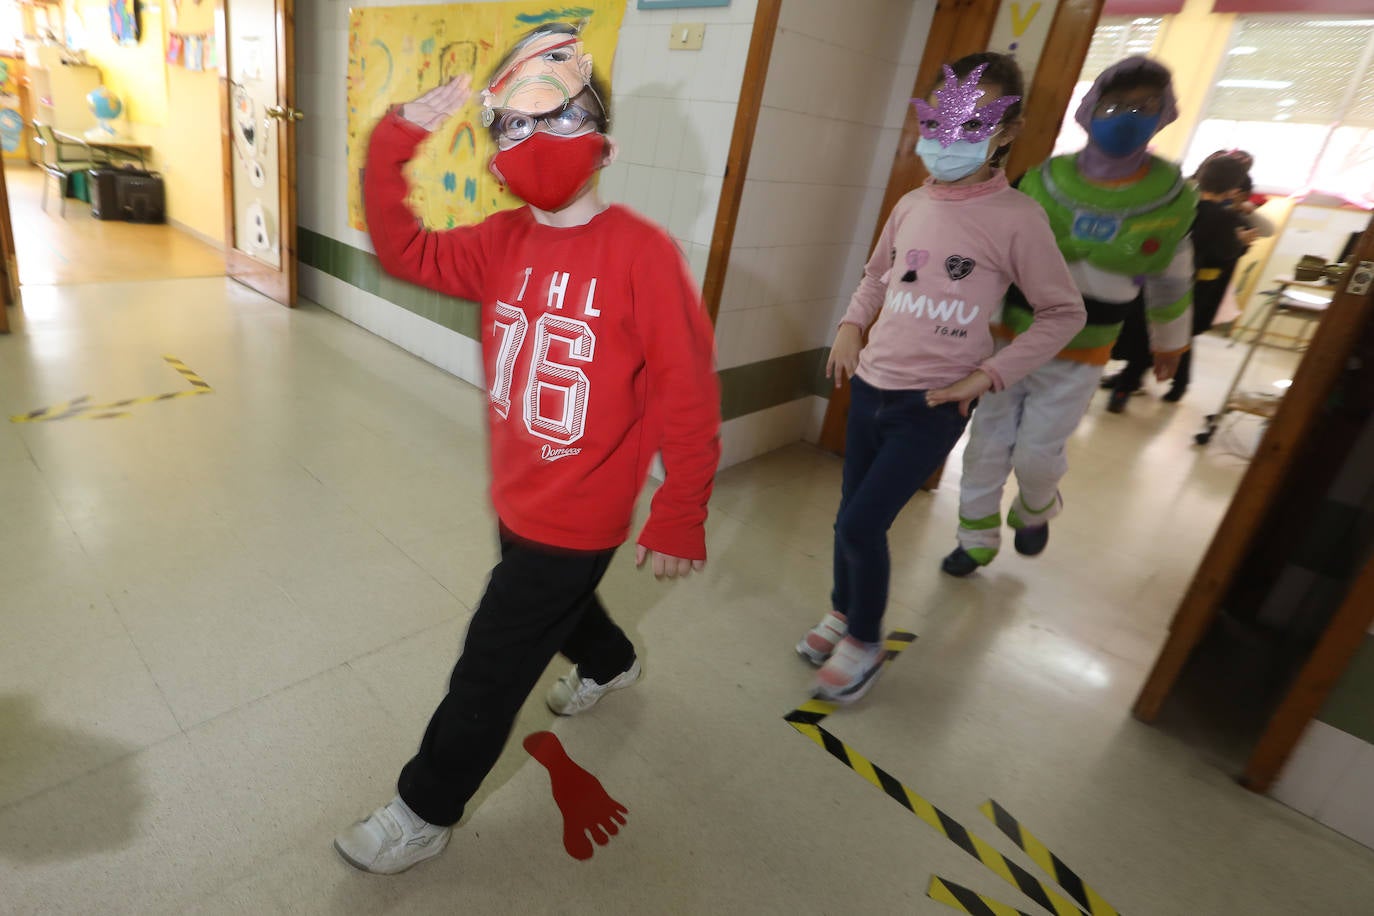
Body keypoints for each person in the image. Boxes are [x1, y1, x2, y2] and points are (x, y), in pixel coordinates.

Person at [334, 22, 721, 875]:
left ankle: (423, 807)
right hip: (518, 492)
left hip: (581, 513)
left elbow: (688, 390)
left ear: (604, 143)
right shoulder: (501, 242)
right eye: (512, 124)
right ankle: (611, 661)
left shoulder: (643, 256)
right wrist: (397, 135)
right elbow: (402, 246)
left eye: (558, 119)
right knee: (556, 606)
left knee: (492, 664)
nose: (534, 141)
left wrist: (681, 506)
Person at [797, 53, 1085, 702]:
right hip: (871, 386)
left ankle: (864, 641)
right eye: (941, 123)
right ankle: (844, 612)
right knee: (851, 516)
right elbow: (877, 275)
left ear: (1006, 132)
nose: (950, 141)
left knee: (862, 526)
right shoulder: (910, 204)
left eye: (973, 123)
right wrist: (850, 324)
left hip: (931, 405)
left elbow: (1063, 313)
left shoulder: (1017, 219)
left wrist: (989, 374)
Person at [941, 56, 1196, 577]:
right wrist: (971, 325)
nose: (1125, 116)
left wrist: (1170, 342)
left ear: (1163, 113)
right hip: (1009, 340)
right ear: (1090, 109)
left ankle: (1036, 508)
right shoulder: (1043, 181)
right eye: (1114, 105)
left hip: (1080, 352)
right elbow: (996, 258)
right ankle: (975, 537)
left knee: (1038, 451)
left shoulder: (1168, 200)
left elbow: (1172, 279)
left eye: (1142, 107)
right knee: (986, 443)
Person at [1103, 150, 1268, 403]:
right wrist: (1241, 242)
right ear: (1233, 187)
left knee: (1144, 330)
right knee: (1171, 332)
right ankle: (1132, 384)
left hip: (1150, 278)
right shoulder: (1222, 218)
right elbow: (1224, 251)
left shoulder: (1177, 207)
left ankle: (1129, 383)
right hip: (1190, 287)